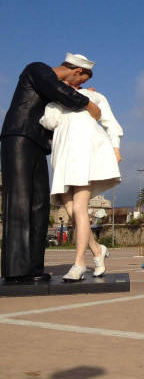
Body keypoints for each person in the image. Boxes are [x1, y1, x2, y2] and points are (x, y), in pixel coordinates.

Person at [0, 53, 102, 283]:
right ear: (76, 71)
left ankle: (33, 268)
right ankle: (16, 270)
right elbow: (59, 91)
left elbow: (60, 107)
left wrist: (81, 95)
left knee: (39, 204)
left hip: (37, 144)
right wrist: (86, 102)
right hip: (18, 137)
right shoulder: (37, 69)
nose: (78, 86)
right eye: (81, 81)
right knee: (19, 201)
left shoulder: (54, 90)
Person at [40, 54, 123, 281]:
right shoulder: (55, 101)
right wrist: (54, 99)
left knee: (79, 206)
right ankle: (97, 250)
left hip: (87, 153)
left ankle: (79, 264)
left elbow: (110, 123)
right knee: (71, 209)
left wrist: (115, 148)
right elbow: (49, 122)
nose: (82, 82)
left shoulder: (93, 96)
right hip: (63, 156)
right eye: (82, 77)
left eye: (84, 79)